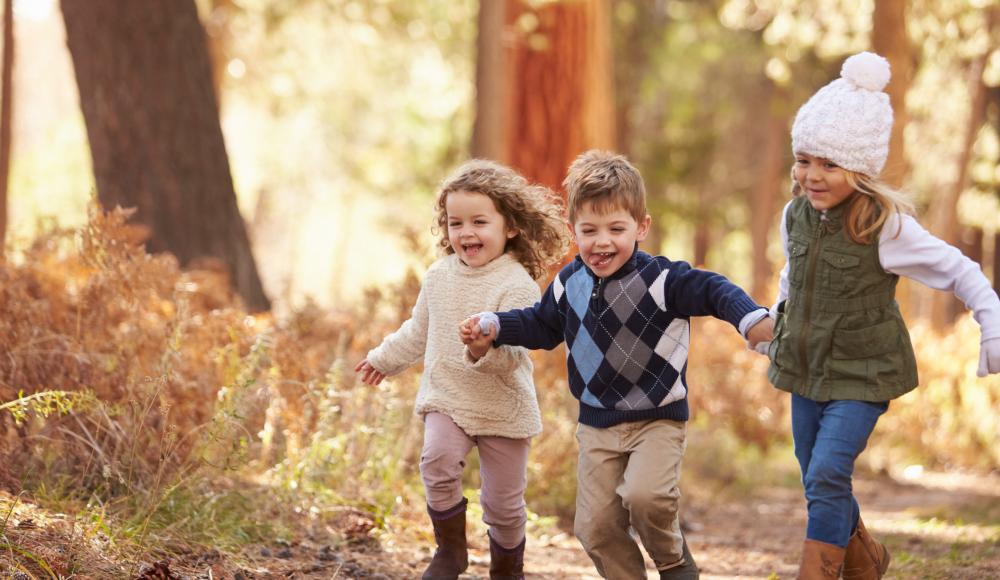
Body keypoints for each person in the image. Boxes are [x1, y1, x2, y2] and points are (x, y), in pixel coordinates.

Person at [460, 150, 775, 580]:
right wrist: (495, 325)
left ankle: (673, 563)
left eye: (616, 229)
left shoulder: (662, 281)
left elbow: (713, 289)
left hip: (657, 418)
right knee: (595, 527)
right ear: (573, 230)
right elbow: (541, 326)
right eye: (588, 230)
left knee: (647, 498)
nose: (601, 242)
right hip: (597, 424)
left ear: (641, 227)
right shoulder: (570, 283)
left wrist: (751, 318)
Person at [764, 51, 1000, 579]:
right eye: (804, 160)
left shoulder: (883, 225)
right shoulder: (793, 214)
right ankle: (866, 559)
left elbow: (959, 270)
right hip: (805, 367)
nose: (812, 175)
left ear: (861, 170)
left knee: (827, 470)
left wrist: (992, 324)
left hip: (863, 371)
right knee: (816, 477)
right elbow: (792, 279)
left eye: (829, 164)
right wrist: (772, 324)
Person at [355, 160, 570, 580]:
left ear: (509, 227)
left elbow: (513, 360)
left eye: (479, 222)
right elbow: (418, 331)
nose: (466, 233)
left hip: (502, 408)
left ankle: (508, 570)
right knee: (436, 461)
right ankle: (450, 551)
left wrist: (483, 349)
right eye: (456, 223)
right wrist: (383, 358)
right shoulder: (439, 277)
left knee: (504, 507)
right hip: (448, 397)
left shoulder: (517, 284)